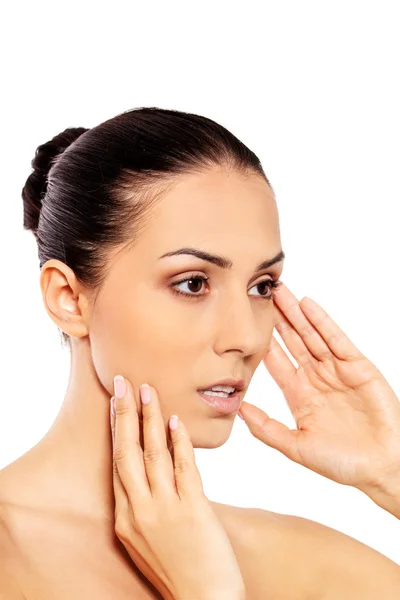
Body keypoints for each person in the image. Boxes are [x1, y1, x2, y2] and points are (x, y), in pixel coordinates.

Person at [1, 106, 399, 598]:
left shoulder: (293, 559)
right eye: (193, 283)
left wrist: (392, 471)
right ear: (68, 298)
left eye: (261, 286)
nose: (248, 338)